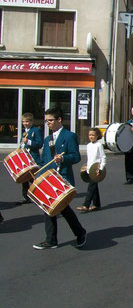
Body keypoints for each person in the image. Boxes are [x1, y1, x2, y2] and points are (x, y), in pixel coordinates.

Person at [33, 107, 87, 250]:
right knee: (48, 207)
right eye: (46, 121)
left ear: (59, 120)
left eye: (50, 120)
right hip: (49, 178)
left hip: (62, 178)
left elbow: (76, 156)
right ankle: (51, 240)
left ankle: (80, 232)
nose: (48, 123)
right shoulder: (47, 139)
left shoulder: (69, 136)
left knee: (62, 208)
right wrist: (38, 177)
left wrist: (63, 158)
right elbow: (45, 161)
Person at [77, 128, 106, 212]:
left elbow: (103, 157)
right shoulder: (88, 145)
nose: (91, 137)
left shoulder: (99, 145)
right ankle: (97, 204)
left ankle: (86, 205)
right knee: (94, 187)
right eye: (90, 135)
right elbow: (89, 159)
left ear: (97, 136)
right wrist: (86, 167)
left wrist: (100, 168)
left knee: (91, 187)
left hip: (96, 169)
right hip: (90, 169)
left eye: (93, 135)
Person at [19, 112, 43, 204]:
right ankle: (26, 197)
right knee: (24, 178)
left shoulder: (36, 130)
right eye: (23, 122)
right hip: (25, 158)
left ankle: (40, 195)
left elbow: (39, 144)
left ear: (32, 121)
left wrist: (28, 141)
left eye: (27, 121)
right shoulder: (25, 131)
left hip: (33, 158)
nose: (25, 123)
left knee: (33, 178)